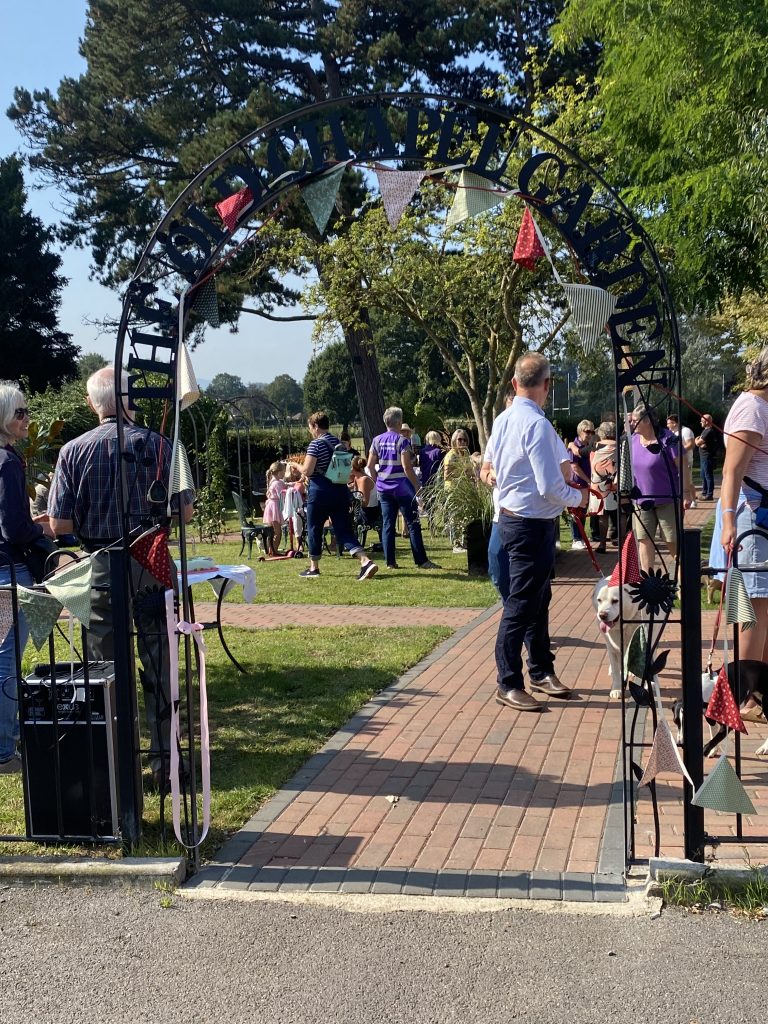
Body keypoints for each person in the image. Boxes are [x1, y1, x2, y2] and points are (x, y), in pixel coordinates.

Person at [47, 367, 194, 787]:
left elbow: (58, 524)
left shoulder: (72, 452)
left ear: (93, 403)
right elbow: (184, 512)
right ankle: (166, 762)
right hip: (150, 562)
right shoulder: (164, 446)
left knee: (103, 670)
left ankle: (112, 763)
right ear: (129, 400)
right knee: (160, 664)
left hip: (100, 564)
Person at [491, 352, 587, 712]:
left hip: (518, 520)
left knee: (537, 600)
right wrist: (580, 498)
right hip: (530, 524)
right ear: (546, 385)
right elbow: (551, 486)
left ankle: (540, 670)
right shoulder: (537, 426)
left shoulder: (503, 420)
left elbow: (496, 469)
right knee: (522, 604)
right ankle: (508, 681)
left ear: (515, 383)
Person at [0, 383, 56, 773]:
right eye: (20, 412)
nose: (27, 419)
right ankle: (4, 751)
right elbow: (13, 527)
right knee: (5, 661)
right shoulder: (7, 462)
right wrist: (42, 533)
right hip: (9, 567)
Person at [714, 346, 768, 720]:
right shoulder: (752, 408)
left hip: (763, 517)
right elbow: (731, 471)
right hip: (752, 517)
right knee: (754, 606)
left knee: (765, 606)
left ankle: (760, 692)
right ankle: (748, 695)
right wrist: (729, 520)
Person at [299, 411, 378, 580]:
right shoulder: (339, 443)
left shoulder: (316, 444)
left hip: (320, 492)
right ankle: (365, 561)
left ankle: (314, 567)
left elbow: (308, 470)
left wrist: (295, 466)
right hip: (341, 491)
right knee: (344, 530)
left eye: (310, 428)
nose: (310, 432)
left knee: (314, 527)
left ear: (315, 426)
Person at [366, 407, 438, 570]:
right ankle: (421, 560)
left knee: (388, 525)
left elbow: (370, 466)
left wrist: (378, 482)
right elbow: (407, 467)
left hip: (384, 489)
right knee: (413, 524)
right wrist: (417, 485)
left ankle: (390, 561)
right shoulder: (402, 441)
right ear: (398, 422)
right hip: (402, 489)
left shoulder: (377, 440)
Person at [629, 403, 679, 573]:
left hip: (667, 499)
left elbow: (682, 466)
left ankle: (682, 582)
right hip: (642, 501)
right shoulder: (632, 441)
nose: (632, 424)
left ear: (648, 421)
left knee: (673, 541)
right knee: (644, 540)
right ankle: (647, 582)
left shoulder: (668, 438)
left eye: (635, 420)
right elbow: (628, 468)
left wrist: (686, 493)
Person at [480, 390, 514, 600]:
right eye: (509, 408)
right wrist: (488, 476)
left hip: (526, 514)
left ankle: (525, 622)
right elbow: (483, 470)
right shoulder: (497, 435)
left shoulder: (536, 430)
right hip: (500, 514)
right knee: (496, 564)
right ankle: (511, 607)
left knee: (528, 574)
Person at [587, 421, 618, 552]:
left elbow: (583, 455)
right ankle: (621, 543)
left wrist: (571, 445)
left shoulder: (595, 446)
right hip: (615, 481)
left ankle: (602, 544)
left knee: (602, 514)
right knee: (620, 512)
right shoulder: (619, 445)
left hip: (598, 484)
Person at [443, 428, 474, 552]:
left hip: (464, 490)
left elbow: (469, 471)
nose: (462, 442)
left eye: (465, 440)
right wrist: (461, 474)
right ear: (454, 441)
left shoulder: (465, 454)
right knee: (455, 517)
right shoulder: (451, 456)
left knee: (465, 516)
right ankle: (456, 544)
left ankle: (464, 542)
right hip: (453, 490)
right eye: (459, 439)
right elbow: (446, 476)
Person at [566, 420, 595, 549]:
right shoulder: (574, 447)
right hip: (578, 483)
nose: (589, 434)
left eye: (592, 432)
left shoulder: (588, 446)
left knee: (583, 510)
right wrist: (588, 481)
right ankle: (576, 538)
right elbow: (575, 467)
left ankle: (581, 537)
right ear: (580, 431)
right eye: (587, 431)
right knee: (576, 510)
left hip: (586, 483)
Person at [667, 414, 696, 507]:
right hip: (675, 461)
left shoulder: (685, 431)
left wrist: (678, 452)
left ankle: (693, 501)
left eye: (669, 423)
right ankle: (681, 499)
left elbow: (691, 444)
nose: (667, 425)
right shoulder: (672, 433)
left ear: (674, 423)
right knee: (678, 480)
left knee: (688, 481)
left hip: (686, 460)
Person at [262, 460, 286, 554]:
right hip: (275, 507)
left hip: (271, 506)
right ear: (279, 473)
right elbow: (281, 493)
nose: (284, 474)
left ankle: (270, 549)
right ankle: (274, 550)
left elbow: (285, 485)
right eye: (284, 472)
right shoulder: (277, 483)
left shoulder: (273, 481)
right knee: (277, 531)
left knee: (272, 531)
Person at [695, 413, 718, 500]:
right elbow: (701, 443)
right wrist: (700, 442)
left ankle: (709, 494)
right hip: (703, 456)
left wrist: (696, 440)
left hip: (707, 456)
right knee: (703, 475)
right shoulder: (706, 431)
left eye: (702, 421)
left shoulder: (709, 431)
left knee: (708, 475)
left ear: (707, 422)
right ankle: (704, 492)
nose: (700, 423)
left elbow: (698, 443)